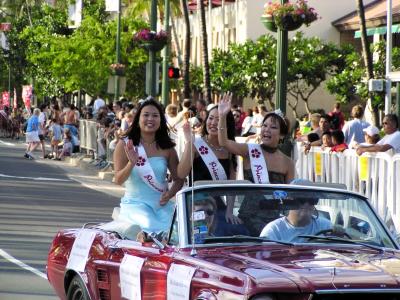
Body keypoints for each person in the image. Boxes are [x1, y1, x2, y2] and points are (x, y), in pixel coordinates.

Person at [218, 93, 295, 235]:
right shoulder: (249, 151)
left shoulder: (287, 163)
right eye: (264, 125)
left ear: (282, 135)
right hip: (247, 220)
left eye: (273, 127)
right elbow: (224, 142)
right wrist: (222, 116)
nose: (266, 129)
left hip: (275, 223)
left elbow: (290, 196)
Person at [113, 98, 184, 233]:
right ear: (138, 119)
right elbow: (118, 180)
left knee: (178, 231)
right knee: (148, 227)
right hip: (135, 206)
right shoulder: (125, 144)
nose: (150, 119)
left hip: (161, 206)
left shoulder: (167, 148)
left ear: (161, 120)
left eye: (155, 115)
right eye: (146, 115)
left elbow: (179, 179)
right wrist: (131, 163)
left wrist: (169, 194)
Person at [177, 105, 246, 234]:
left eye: (218, 119)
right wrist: (189, 144)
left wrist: (230, 211)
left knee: (239, 230)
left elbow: (231, 185)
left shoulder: (230, 150)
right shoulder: (197, 144)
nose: (213, 123)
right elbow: (181, 173)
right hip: (196, 205)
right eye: (211, 118)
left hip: (218, 206)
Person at [259, 198, 332, 243]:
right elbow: (265, 259)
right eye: (301, 199)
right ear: (289, 202)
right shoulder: (273, 230)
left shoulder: (326, 226)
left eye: (311, 200)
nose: (306, 204)